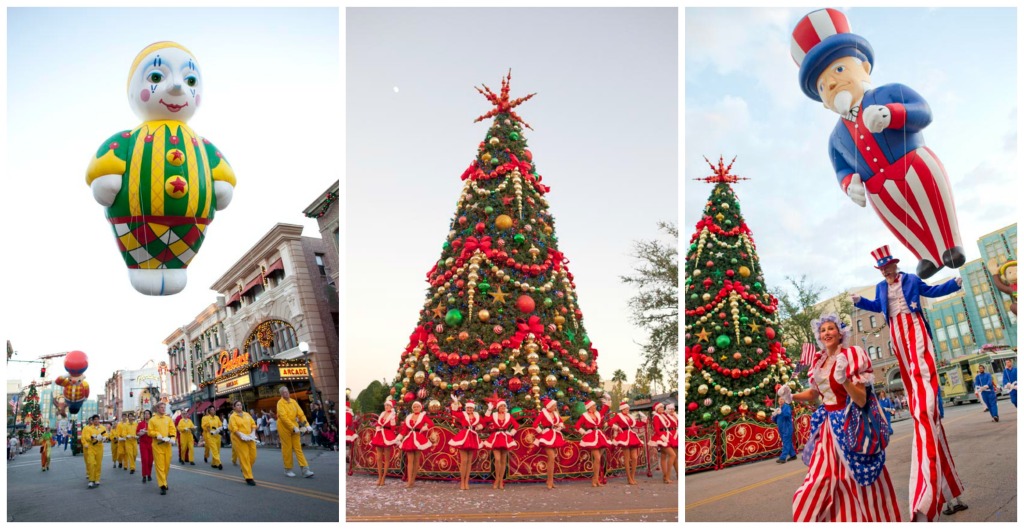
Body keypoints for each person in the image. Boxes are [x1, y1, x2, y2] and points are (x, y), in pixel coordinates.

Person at [791, 9, 964, 280]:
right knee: (898, 219)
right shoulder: (836, 137)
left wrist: (892, 114)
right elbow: (840, 168)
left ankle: (949, 244)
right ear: (824, 101)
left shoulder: (888, 92)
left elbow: (923, 112)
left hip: (913, 163)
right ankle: (927, 254)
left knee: (931, 201)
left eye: (838, 69)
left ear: (865, 69)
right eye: (823, 86)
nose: (833, 82)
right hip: (878, 188)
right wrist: (849, 184)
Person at [853, 246, 966, 521]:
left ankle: (922, 397)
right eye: (882, 268)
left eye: (888, 267)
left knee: (920, 363)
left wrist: (952, 283)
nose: (886, 271)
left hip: (913, 325)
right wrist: (859, 301)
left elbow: (931, 291)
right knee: (906, 368)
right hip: (896, 333)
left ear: (895, 265)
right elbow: (875, 307)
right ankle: (916, 394)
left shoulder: (911, 280)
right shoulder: (881, 288)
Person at [791, 314, 902, 521]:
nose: (826, 333)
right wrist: (791, 395)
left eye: (831, 328)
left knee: (858, 480)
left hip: (851, 425)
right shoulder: (819, 360)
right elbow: (815, 394)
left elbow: (860, 400)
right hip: (826, 428)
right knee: (819, 479)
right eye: (823, 330)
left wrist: (844, 381)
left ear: (840, 332)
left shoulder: (852, 355)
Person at [277, 386, 314, 478]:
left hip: (294, 426)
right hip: (284, 427)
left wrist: (307, 425)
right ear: (281, 394)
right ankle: (288, 469)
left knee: (298, 448)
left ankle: (305, 469)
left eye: (287, 392)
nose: (286, 393)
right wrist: (293, 427)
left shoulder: (293, 402)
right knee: (287, 448)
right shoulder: (280, 403)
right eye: (284, 392)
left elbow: (301, 414)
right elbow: (284, 417)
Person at [482, 400, 518, 490]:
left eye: (504, 406)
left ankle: (501, 480)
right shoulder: (494, 415)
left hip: (505, 438)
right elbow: (485, 420)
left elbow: (516, 425)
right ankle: (497, 479)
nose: (502, 408)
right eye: (501, 406)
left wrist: (511, 433)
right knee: (497, 459)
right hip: (496, 437)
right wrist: (489, 410)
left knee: (503, 461)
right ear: (498, 407)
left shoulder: (508, 416)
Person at [448, 398, 483, 491]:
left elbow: (483, 422)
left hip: (472, 436)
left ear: (473, 408)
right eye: (468, 408)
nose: (469, 409)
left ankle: (467, 481)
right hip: (464, 436)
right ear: (466, 408)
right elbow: (454, 413)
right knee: (464, 461)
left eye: (471, 408)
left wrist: (480, 426)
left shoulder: (476, 415)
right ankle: (462, 481)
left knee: (469, 461)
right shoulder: (463, 414)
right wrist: (455, 403)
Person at [608, 401, 646, 486]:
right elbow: (610, 423)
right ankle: (629, 478)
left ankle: (632, 476)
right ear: (622, 409)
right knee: (627, 458)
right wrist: (617, 428)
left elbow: (636, 424)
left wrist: (644, 421)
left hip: (631, 436)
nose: (627, 410)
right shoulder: (618, 416)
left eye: (628, 408)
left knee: (635, 457)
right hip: (624, 436)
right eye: (626, 409)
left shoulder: (630, 416)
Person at [533, 397, 567, 489]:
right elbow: (535, 424)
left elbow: (561, 423)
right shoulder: (543, 413)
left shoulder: (555, 414)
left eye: (555, 405)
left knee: (552, 459)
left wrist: (559, 426)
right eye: (554, 405)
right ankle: (550, 481)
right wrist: (541, 432)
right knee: (551, 457)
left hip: (555, 435)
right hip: (547, 436)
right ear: (549, 406)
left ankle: (550, 480)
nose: (555, 407)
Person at [576, 399, 612, 487]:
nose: (595, 407)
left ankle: (596, 479)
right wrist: (584, 432)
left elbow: (605, 408)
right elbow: (577, 426)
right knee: (597, 458)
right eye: (594, 405)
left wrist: (608, 401)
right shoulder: (584, 416)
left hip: (600, 436)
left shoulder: (597, 414)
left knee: (598, 459)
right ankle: (595, 479)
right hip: (591, 437)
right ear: (589, 407)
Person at [398, 400, 433, 488]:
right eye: (414, 407)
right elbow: (404, 429)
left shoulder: (423, 416)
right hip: (410, 438)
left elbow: (431, 424)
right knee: (410, 460)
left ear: (420, 408)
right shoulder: (409, 417)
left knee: (416, 460)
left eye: (417, 407)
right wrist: (399, 437)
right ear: (412, 408)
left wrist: (424, 428)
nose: (416, 408)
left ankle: (413, 479)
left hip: (418, 438)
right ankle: (409, 480)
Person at [148, 402, 176, 495]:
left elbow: (172, 430)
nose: (163, 409)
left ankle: (164, 480)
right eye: (161, 407)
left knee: (166, 465)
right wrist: (157, 434)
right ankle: (162, 485)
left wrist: (172, 438)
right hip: (158, 446)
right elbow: (150, 431)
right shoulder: (152, 420)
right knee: (160, 466)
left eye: (164, 407)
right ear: (157, 409)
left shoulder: (168, 419)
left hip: (167, 445)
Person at [229, 400, 259, 486]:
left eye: (240, 405)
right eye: (237, 405)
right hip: (239, 439)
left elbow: (253, 424)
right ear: (234, 407)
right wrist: (241, 436)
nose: (240, 406)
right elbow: (234, 429)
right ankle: (248, 477)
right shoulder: (232, 417)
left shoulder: (247, 414)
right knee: (244, 457)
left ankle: (245, 468)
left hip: (250, 438)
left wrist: (253, 432)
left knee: (253, 456)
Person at [370, 397, 399, 486]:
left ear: (391, 407)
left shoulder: (393, 415)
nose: (386, 406)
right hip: (379, 435)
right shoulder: (382, 414)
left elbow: (393, 428)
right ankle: (379, 477)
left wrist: (393, 419)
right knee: (378, 458)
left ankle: (383, 478)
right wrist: (378, 428)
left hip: (388, 435)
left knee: (386, 458)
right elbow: (378, 423)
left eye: (388, 405)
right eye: (385, 405)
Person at [772, 385, 797, 465]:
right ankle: (793, 455)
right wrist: (774, 415)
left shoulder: (786, 406)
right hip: (781, 428)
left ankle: (782, 458)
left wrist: (781, 412)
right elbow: (774, 420)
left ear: (784, 400)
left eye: (782, 399)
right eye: (779, 399)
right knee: (786, 441)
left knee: (786, 442)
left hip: (787, 427)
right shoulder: (778, 408)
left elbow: (788, 415)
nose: (780, 401)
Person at [82, 414, 108, 489]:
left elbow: (106, 435)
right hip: (91, 448)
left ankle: (97, 479)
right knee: (91, 463)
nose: (96, 421)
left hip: (99, 448)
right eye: (95, 419)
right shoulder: (89, 429)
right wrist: (93, 437)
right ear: (92, 421)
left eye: (97, 419)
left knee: (98, 464)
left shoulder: (102, 428)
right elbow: (86, 437)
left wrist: (104, 438)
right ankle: (91, 480)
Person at [137, 409, 154, 483]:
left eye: (148, 414)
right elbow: (137, 433)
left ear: (150, 415)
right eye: (145, 414)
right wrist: (142, 432)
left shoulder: (153, 423)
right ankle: (144, 475)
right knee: (145, 460)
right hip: (143, 444)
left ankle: (149, 474)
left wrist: (149, 432)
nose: (146, 415)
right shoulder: (141, 424)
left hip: (152, 443)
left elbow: (156, 432)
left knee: (150, 461)